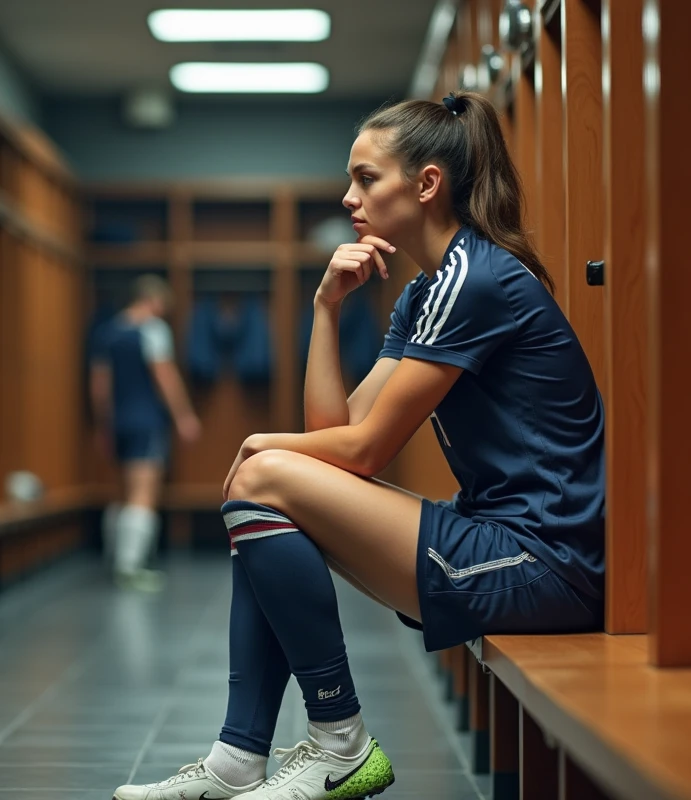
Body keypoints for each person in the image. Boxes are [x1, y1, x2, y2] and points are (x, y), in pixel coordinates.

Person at [113, 90, 604, 800]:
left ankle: (339, 742)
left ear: (428, 183)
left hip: (544, 565)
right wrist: (325, 306)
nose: (349, 196)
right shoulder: (427, 292)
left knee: (263, 475)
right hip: (498, 542)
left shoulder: (478, 281)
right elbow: (331, 439)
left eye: (366, 178)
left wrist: (255, 443)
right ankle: (239, 758)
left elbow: (364, 452)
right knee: (270, 483)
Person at [90, 275, 202, 590]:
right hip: (146, 421)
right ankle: (130, 567)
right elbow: (164, 377)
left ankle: (114, 558)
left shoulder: (107, 332)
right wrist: (183, 416)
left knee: (121, 492)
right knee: (143, 493)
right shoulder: (152, 330)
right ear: (152, 300)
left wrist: (103, 426)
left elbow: (99, 388)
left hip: (118, 422)